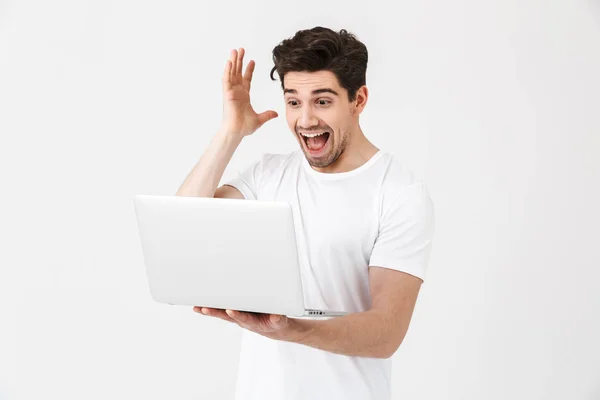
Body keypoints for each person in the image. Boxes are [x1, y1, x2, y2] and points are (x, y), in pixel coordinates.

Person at [176, 26, 435, 400]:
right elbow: (184, 230)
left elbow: (386, 332)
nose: (306, 120)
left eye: (323, 101)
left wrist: (290, 330)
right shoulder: (269, 175)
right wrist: (230, 131)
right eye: (294, 101)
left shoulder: (399, 193)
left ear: (358, 99)